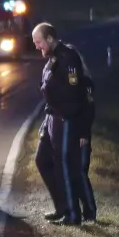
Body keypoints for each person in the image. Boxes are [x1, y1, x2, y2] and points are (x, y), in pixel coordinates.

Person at [31, 22, 97, 225]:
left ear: (50, 38)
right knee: (42, 160)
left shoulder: (67, 57)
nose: (36, 46)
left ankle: (72, 214)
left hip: (65, 119)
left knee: (64, 165)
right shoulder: (52, 58)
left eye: (39, 41)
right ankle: (62, 207)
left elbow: (73, 94)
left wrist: (82, 129)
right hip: (52, 117)